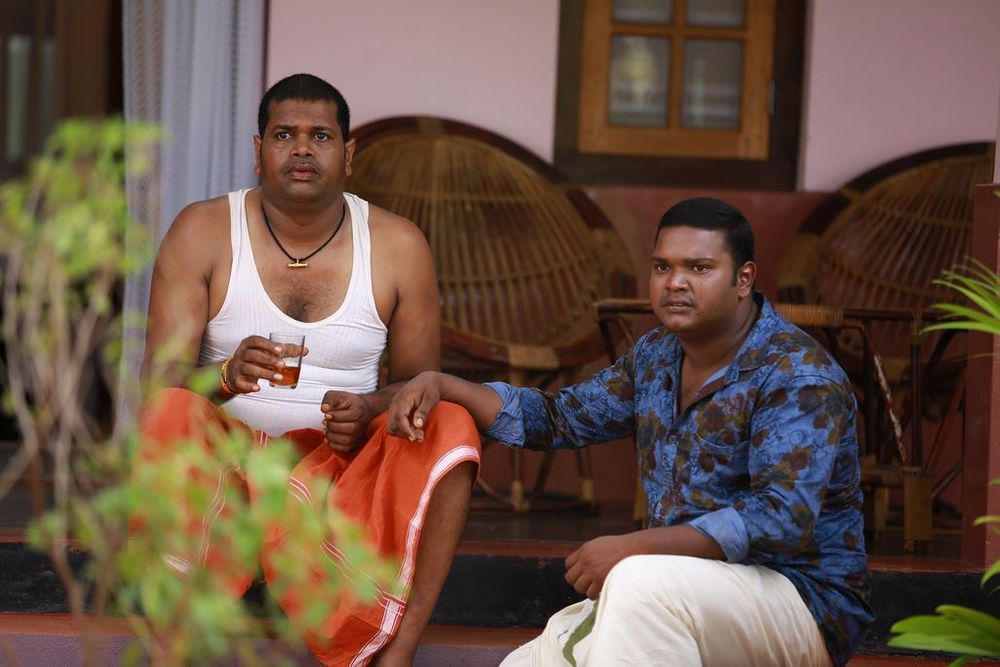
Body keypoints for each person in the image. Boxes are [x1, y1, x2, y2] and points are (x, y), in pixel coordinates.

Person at [387, 198, 874, 666]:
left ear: (743, 278)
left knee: (637, 582)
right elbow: (560, 417)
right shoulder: (657, 355)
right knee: (530, 663)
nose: (675, 282)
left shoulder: (797, 373)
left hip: (801, 604)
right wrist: (445, 384)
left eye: (699, 268)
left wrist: (634, 546)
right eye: (662, 267)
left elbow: (780, 519)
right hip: (680, 590)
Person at [138, 73, 480, 666]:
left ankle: (397, 652)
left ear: (347, 154)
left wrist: (368, 409)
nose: (301, 149)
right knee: (168, 411)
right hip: (230, 470)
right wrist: (224, 376)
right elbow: (158, 387)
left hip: (340, 472)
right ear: (258, 150)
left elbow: (417, 389)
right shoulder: (203, 231)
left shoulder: (398, 245)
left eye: (320, 136)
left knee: (449, 423)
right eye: (284, 135)